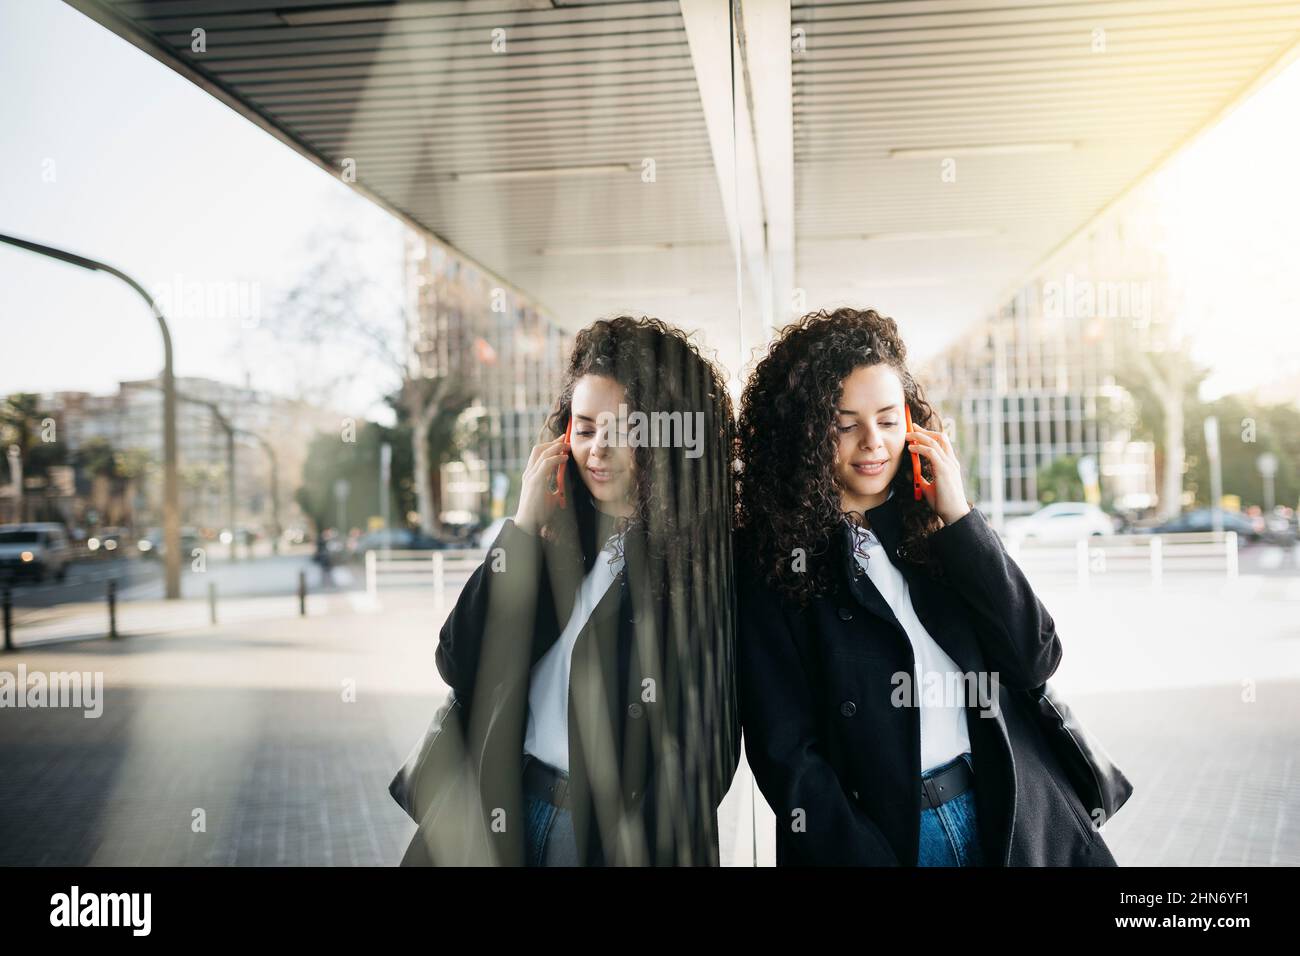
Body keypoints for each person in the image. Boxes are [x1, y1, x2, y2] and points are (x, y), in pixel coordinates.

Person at [734, 306, 1118, 866]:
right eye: (845, 425)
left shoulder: (937, 527)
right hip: (894, 842)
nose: (872, 442)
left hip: (1011, 816)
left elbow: (1033, 658)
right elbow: (787, 754)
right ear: (805, 434)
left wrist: (961, 519)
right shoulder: (772, 559)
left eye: (888, 420)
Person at [402, 316, 739, 866]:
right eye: (584, 429)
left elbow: (710, 750)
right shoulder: (551, 535)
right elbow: (459, 660)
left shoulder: (705, 560)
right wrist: (523, 526)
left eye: (624, 430)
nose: (598, 450)